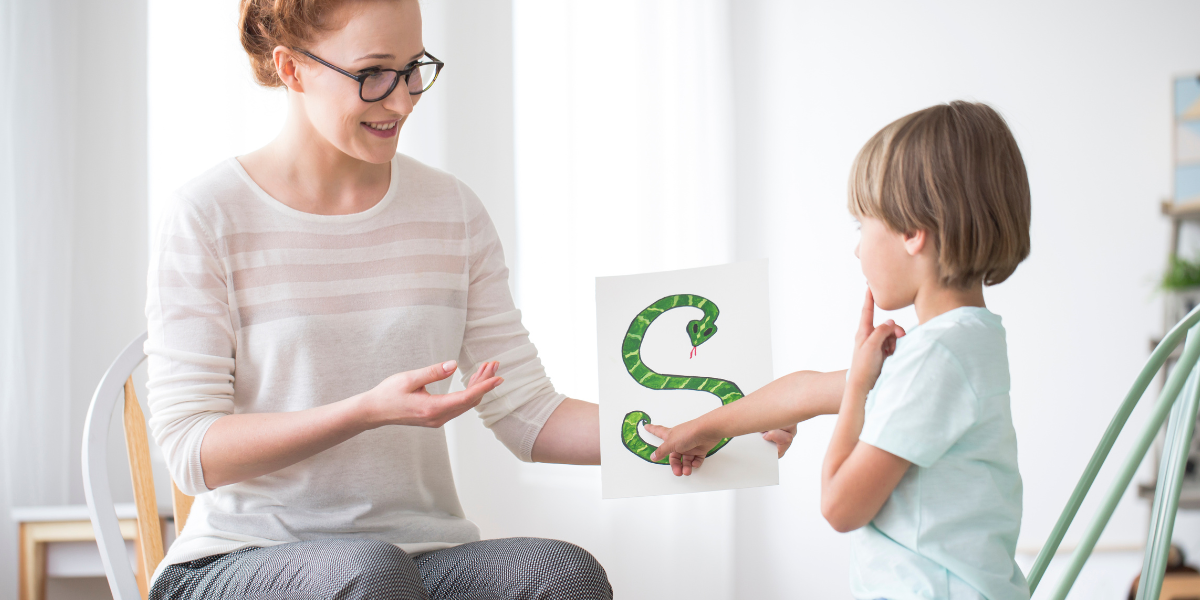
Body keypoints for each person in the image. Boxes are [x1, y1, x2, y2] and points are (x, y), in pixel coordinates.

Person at [144, 0, 798, 598]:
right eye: (374, 73)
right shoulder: (209, 215)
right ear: (291, 68)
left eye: (413, 70)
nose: (401, 102)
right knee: (368, 572)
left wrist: (711, 423)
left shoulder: (449, 209)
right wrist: (365, 412)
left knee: (562, 575)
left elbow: (528, 414)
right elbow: (191, 451)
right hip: (241, 559)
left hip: (416, 555)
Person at [649, 101, 1032, 600]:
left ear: (913, 232)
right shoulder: (967, 340)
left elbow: (840, 506)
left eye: (861, 227)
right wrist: (706, 428)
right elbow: (807, 390)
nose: (856, 249)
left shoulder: (934, 361)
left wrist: (855, 387)